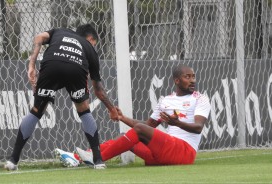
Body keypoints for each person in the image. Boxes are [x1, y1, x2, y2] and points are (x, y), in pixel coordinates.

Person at [4, 24, 118, 171]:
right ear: (90, 39)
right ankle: (98, 161)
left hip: (52, 64)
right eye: (93, 43)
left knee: (36, 111)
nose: (93, 46)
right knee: (84, 111)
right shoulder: (89, 48)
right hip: (76, 70)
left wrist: (31, 65)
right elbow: (99, 90)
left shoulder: (60, 31)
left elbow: (39, 37)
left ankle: (13, 160)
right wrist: (112, 109)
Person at [56, 65, 211, 167]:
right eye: (188, 77)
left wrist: (176, 124)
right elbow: (148, 126)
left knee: (136, 132)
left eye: (193, 77)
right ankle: (76, 158)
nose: (192, 80)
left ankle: (98, 160)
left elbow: (198, 128)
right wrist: (123, 118)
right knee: (126, 137)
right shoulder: (166, 100)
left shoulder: (200, 98)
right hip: (161, 155)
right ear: (177, 80)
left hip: (184, 153)